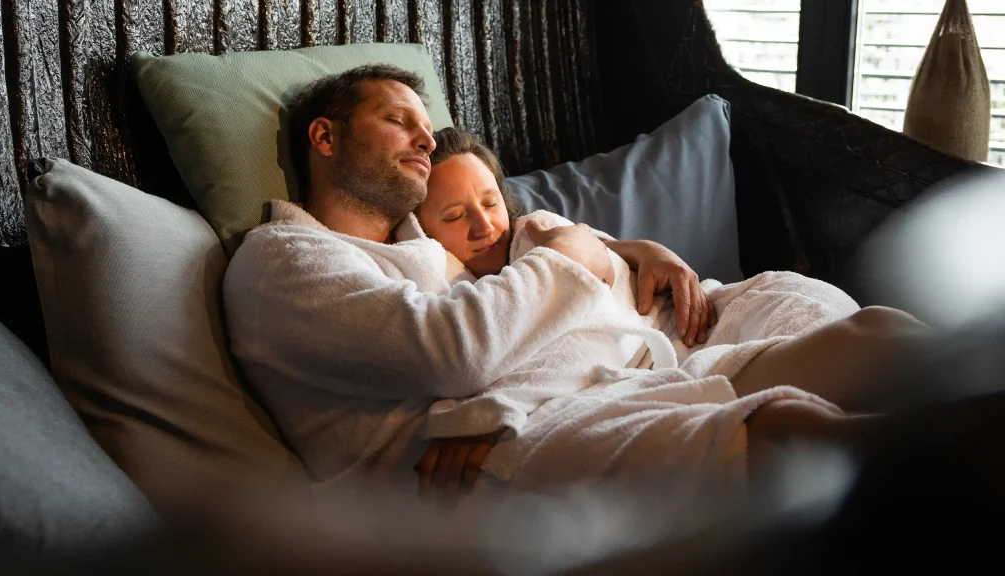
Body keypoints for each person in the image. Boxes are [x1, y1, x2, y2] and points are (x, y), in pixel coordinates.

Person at [222, 65, 917, 505]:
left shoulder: (420, 245)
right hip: (451, 466)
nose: (425, 139)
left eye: (425, 126)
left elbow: (523, 291)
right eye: (397, 121)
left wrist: (612, 247)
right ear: (325, 138)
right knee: (793, 436)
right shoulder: (283, 261)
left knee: (880, 340)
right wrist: (575, 254)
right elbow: (455, 351)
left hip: (580, 388)